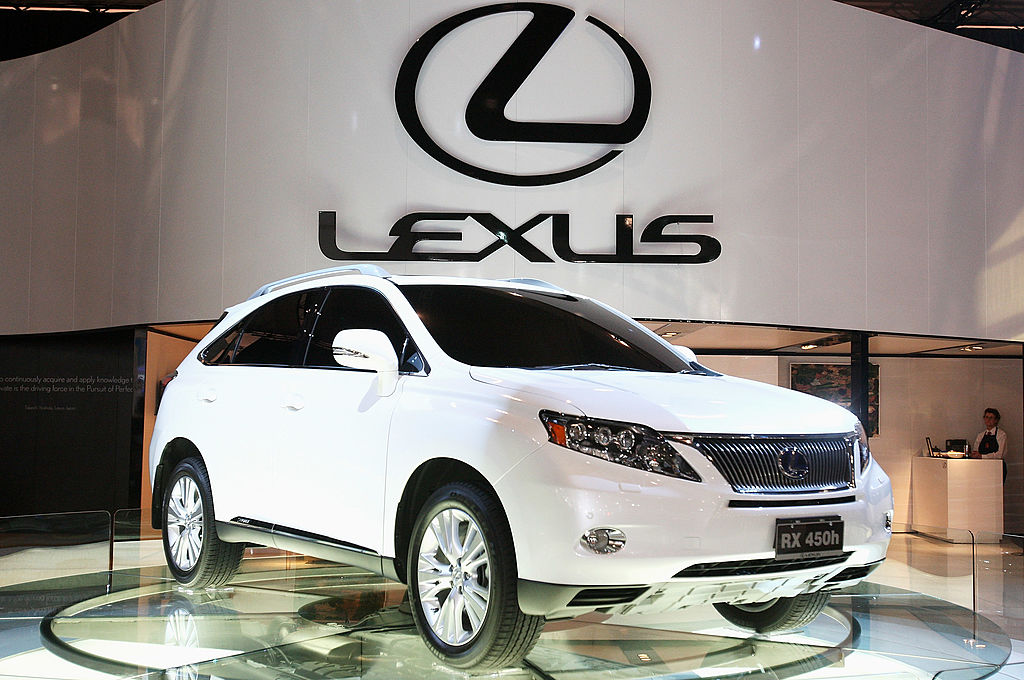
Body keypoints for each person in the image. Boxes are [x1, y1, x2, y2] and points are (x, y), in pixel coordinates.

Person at [974, 407, 1007, 480]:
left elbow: (999, 455)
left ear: (996, 420)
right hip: (982, 468)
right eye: (986, 417)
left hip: (997, 468)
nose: (988, 420)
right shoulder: (980, 435)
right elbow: (976, 451)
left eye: (991, 418)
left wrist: (982, 456)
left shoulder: (1001, 434)